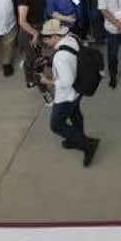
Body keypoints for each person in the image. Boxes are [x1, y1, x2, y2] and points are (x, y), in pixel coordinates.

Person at [38, 18, 98, 167]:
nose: (44, 42)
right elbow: (72, 58)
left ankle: (86, 145)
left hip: (66, 96)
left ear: (54, 37)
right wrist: (49, 61)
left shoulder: (60, 57)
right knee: (75, 114)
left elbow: (66, 81)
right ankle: (78, 139)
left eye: (46, 38)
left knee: (56, 125)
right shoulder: (71, 38)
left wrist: (48, 82)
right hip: (79, 90)